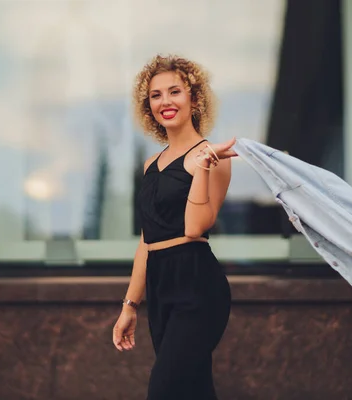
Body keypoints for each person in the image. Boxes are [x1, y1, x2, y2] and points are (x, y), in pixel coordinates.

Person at [112, 54, 237, 399]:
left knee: (164, 389)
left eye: (174, 91)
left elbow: (196, 227)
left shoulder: (214, 156)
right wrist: (130, 307)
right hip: (160, 285)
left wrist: (202, 169)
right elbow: (146, 241)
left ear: (194, 99)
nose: (165, 101)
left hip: (197, 284)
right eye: (155, 95)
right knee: (193, 390)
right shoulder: (151, 164)